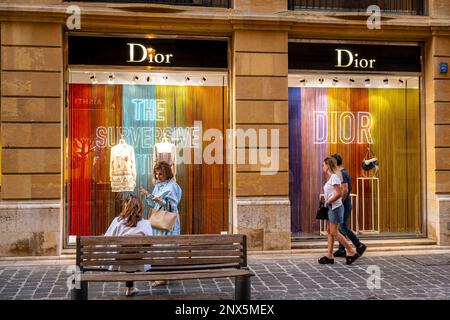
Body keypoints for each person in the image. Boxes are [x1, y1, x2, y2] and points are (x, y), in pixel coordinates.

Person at [140, 161, 182, 286]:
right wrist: (148, 195)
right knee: (157, 247)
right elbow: (154, 204)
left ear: (167, 173)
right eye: (156, 174)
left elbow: (173, 206)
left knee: (166, 248)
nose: (158, 177)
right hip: (157, 221)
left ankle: (164, 277)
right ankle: (159, 275)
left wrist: (161, 201)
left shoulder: (173, 186)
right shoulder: (158, 185)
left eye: (161, 174)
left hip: (168, 222)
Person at [104, 194, 152, 296]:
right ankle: (130, 288)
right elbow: (149, 244)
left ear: (126, 207)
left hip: (119, 260)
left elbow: (107, 239)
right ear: (140, 208)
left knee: (125, 252)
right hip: (139, 261)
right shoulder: (146, 223)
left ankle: (130, 288)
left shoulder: (117, 221)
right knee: (134, 252)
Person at [319, 157, 359, 265]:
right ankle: (329, 255)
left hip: (335, 207)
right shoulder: (332, 177)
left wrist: (328, 201)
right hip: (332, 207)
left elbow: (339, 193)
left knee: (334, 232)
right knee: (330, 231)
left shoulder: (335, 177)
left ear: (328, 165)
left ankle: (351, 251)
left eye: (323, 164)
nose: (322, 166)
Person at [331, 154, 367, 258]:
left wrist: (340, 203)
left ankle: (359, 245)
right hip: (345, 203)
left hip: (344, 204)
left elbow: (345, 189)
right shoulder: (342, 173)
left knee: (342, 226)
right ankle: (342, 250)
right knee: (341, 227)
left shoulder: (342, 173)